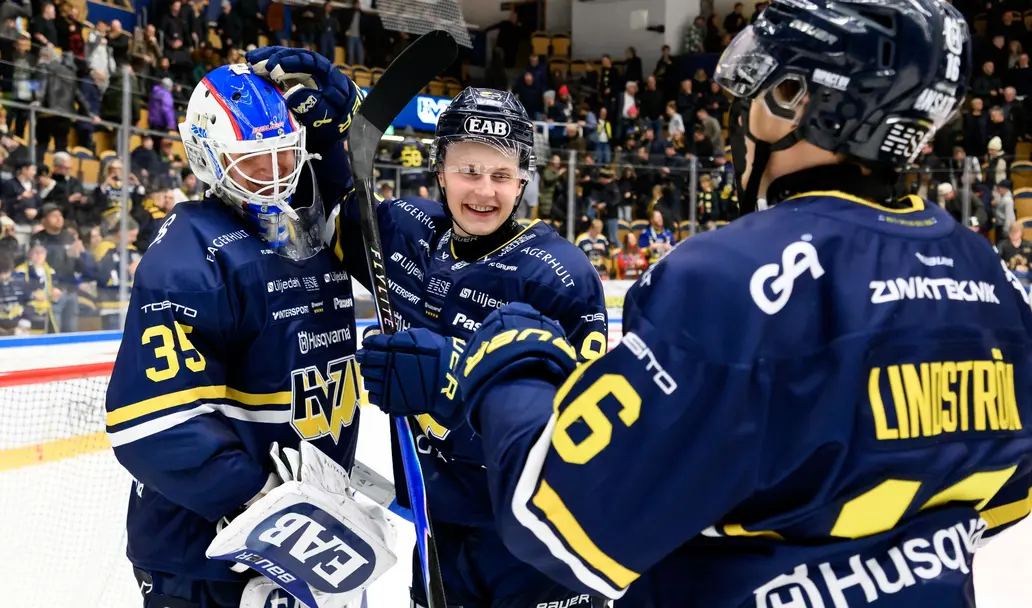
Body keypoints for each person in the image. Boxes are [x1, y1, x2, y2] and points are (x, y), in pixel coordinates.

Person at [341, 1, 1032, 606]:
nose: (744, 115)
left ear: (794, 99)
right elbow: (1004, 497)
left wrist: (505, 370)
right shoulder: (988, 281)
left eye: (760, 92)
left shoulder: (728, 277)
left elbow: (568, 521)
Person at [246, 48, 609, 608]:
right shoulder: (405, 230)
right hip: (436, 539)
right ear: (439, 169)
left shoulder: (560, 277)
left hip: (536, 553)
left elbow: (583, 444)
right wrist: (333, 134)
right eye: (467, 170)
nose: (483, 191)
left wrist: (453, 388)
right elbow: (338, 213)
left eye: (501, 174)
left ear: (523, 182)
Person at [105, 63, 394, 608]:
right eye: (253, 162)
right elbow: (154, 424)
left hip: (302, 534)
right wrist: (271, 508)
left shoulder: (305, 223)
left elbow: (346, 205)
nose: (276, 173)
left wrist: (340, 125)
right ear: (207, 161)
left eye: (286, 153)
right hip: (209, 557)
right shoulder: (191, 260)